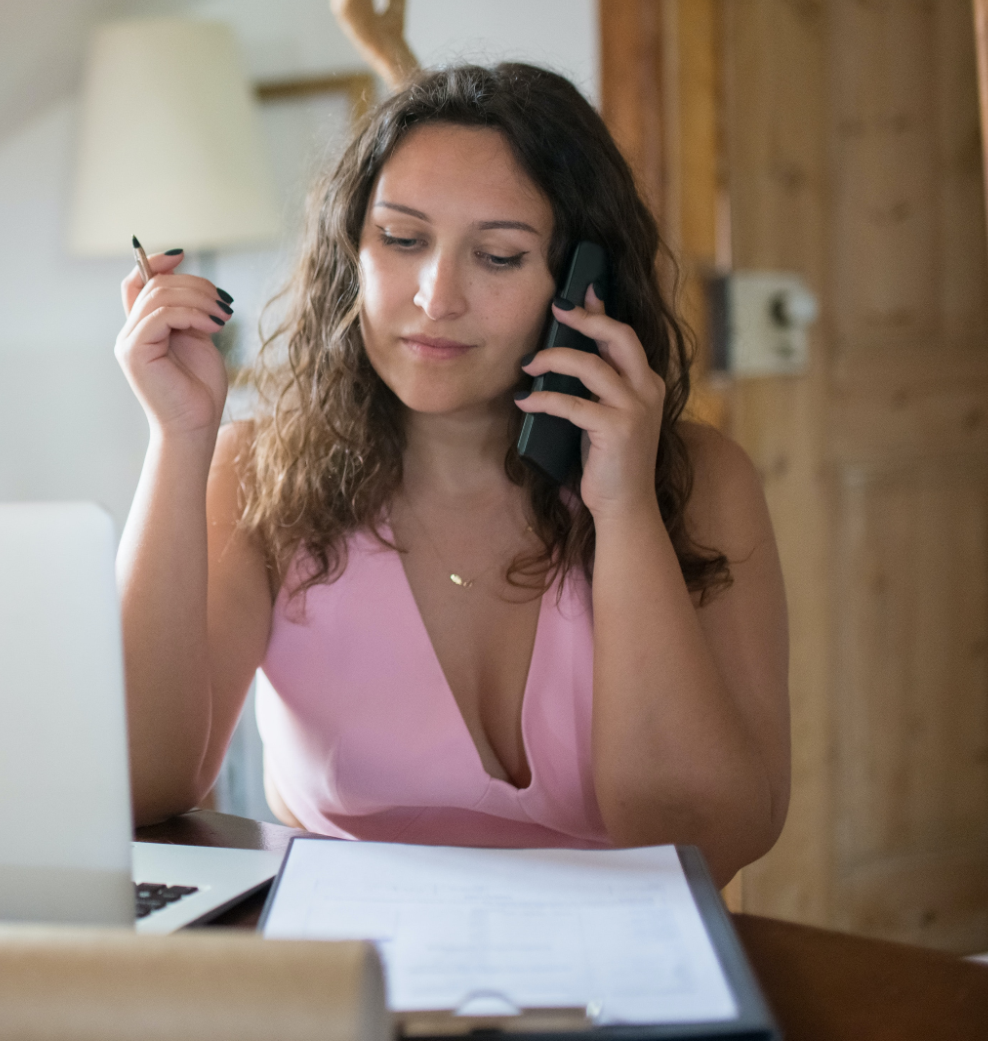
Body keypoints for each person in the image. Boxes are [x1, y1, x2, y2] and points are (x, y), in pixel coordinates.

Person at [113, 63, 788, 884]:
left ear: (583, 286)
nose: (436, 297)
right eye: (400, 240)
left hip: (623, 980)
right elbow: (136, 786)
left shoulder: (701, 479)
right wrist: (180, 437)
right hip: (349, 976)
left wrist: (625, 510)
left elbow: (702, 838)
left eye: (499, 256)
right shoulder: (254, 476)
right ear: (349, 256)